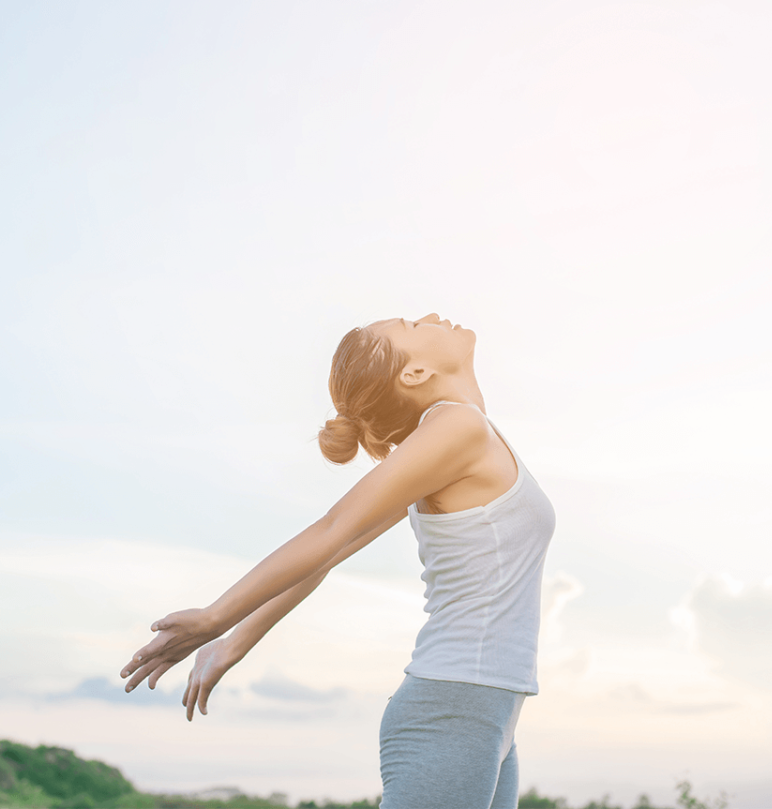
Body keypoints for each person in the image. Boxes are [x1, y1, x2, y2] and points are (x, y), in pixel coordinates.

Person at [120, 313, 556, 809]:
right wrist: (218, 617)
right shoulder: (458, 427)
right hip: (452, 710)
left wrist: (233, 642)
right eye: (412, 325)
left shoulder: (455, 441)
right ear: (413, 374)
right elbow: (333, 532)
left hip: (487, 712)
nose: (431, 317)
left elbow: (330, 555)